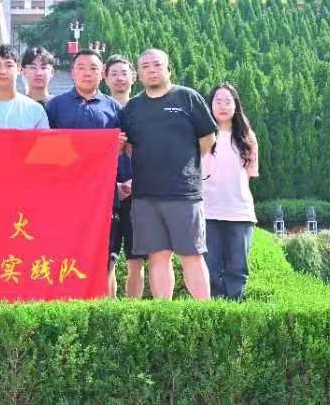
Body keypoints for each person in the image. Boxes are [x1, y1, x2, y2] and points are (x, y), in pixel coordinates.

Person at [121, 48, 217, 300]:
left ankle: (204, 311)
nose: (151, 70)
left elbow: (207, 138)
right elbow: (128, 147)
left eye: (157, 65)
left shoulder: (188, 98)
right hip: (146, 195)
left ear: (168, 69)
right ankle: (165, 311)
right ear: (138, 74)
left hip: (183, 193)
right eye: (145, 66)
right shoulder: (133, 107)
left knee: (192, 255)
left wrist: (185, 164)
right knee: (157, 257)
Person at [45, 48, 124, 298]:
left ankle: (106, 309)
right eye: (81, 68)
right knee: (63, 254)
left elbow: (123, 150)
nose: (87, 73)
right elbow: (44, 150)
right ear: (72, 72)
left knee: (106, 258)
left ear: (102, 74)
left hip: (103, 195)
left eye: (93, 68)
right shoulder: (55, 106)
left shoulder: (113, 108)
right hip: (65, 195)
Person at [202, 83, 259, 300]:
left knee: (237, 269)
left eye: (228, 101)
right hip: (208, 211)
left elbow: (249, 175)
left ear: (236, 106)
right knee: (210, 269)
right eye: (218, 101)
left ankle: (235, 310)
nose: (223, 106)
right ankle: (215, 311)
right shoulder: (202, 136)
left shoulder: (247, 138)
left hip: (239, 212)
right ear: (210, 105)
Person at [104, 54, 145, 299]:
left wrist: (136, 182)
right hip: (106, 195)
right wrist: (112, 185)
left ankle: (132, 311)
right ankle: (109, 311)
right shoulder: (101, 109)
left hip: (138, 195)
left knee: (136, 260)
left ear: (134, 77)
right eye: (114, 73)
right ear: (105, 78)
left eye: (124, 73)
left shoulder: (143, 109)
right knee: (106, 260)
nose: (119, 78)